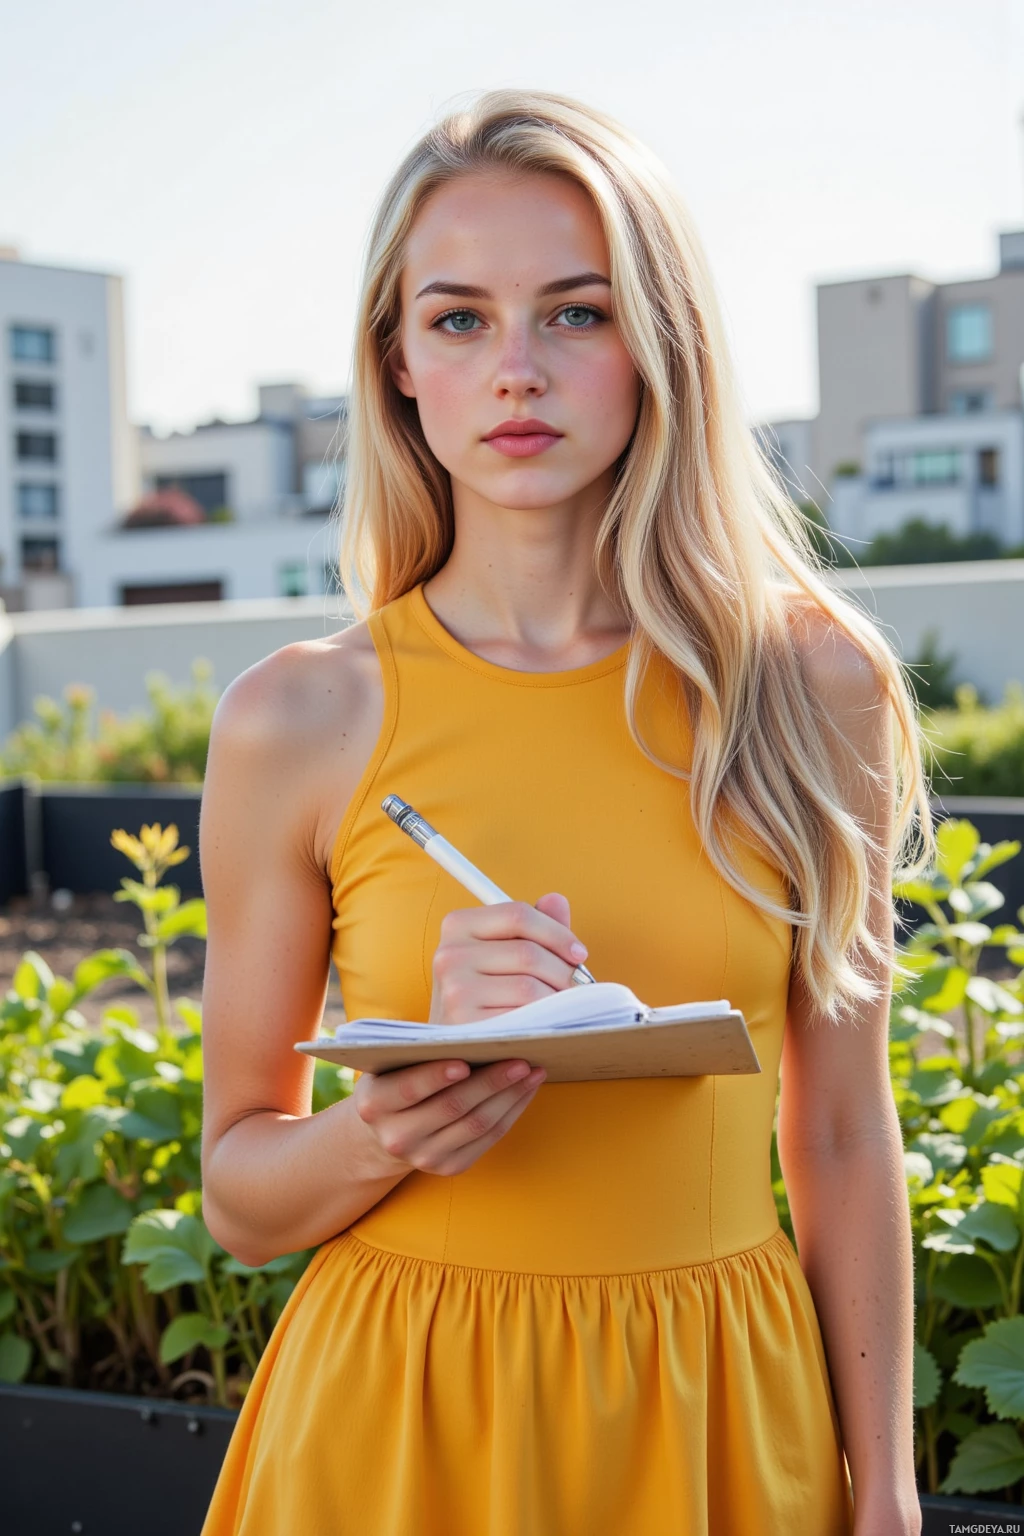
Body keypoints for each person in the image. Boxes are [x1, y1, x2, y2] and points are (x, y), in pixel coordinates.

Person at [198, 90, 932, 1536]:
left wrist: (888, 1492)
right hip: (394, 1423)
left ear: (661, 344)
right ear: (397, 361)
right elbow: (239, 1193)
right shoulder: (297, 718)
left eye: (577, 314)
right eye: (459, 319)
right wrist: (397, 1124)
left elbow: (841, 1130)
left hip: (718, 1404)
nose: (515, 370)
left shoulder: (808, 685)